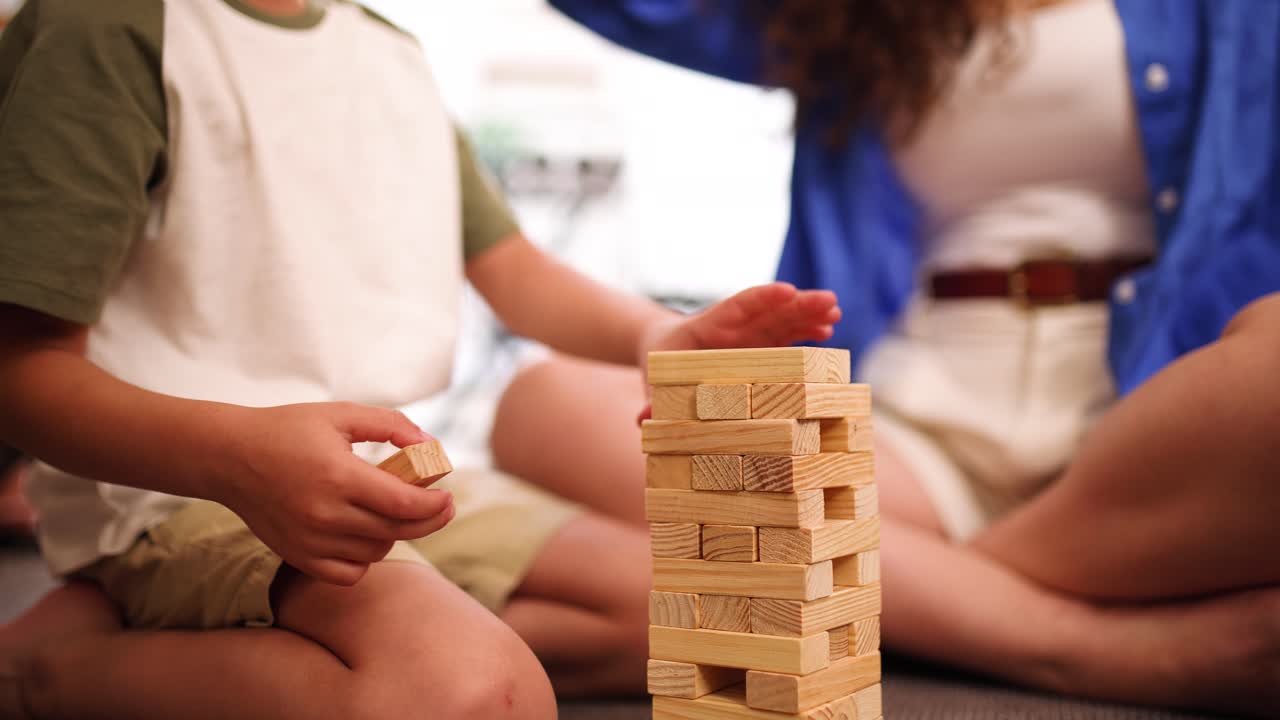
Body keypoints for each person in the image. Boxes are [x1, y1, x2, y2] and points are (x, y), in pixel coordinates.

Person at [0, 1, 842, 718]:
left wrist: (655, 337)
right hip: (180, 492)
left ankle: (296, 635)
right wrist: (238, 459)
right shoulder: (105, 28)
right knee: (473, 693)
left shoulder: (388, 53)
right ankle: (57, 673)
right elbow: (21, 373)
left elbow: (517, 273)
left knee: (742, 616)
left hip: (397, 474)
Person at [492, 0, 1280, 715]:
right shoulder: (851, 21)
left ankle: (926, 598)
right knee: (548, 402)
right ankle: (1070, 645)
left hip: (1149, 416)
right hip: (919, 430)